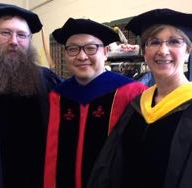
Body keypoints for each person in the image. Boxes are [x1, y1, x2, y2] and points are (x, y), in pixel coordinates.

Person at [87, 8, 192, 188]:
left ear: (188, 51)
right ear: (145, 52)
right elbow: (111, 168)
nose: (163, 51)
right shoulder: (137, 106)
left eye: (174, 42)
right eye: (154, 42)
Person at [43, 18, 147, 188]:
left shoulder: (132, 93)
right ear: (65, 54)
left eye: (91, 48)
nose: (82, 56)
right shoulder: (58, 96)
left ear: (105, 52)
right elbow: (52, 155)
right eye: (73, 49)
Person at [0, 3, 61, 188]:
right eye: (5, 33)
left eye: (21, 35)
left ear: (29, 40)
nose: (14, 41)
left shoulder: (46, 80)